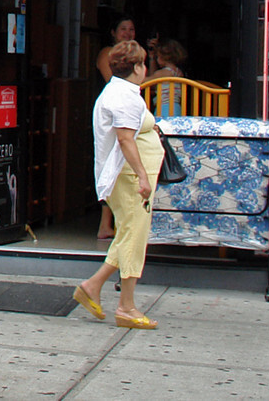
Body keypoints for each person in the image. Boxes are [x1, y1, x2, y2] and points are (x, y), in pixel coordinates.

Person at [75, 39, 162, 329]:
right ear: (137, 67)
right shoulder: (124, 97)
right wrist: (142, 176)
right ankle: (126, 305)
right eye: (144, 63)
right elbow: (125, 139)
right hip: (128, 178)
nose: (146, 69)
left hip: (127, 177)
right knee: (134, 236)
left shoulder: (120, 92)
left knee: (128, 233)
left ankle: (92, 286)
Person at [93, 17, 137, 240]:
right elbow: (117, 81)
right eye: (123, 29)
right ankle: (106, 223)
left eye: (131, 29)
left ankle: (113, 223)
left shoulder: (135, 57)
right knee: (109, 163)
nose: (127, 33)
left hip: (125, 116)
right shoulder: (107, 53)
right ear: (113, 32)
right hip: (110, 116)